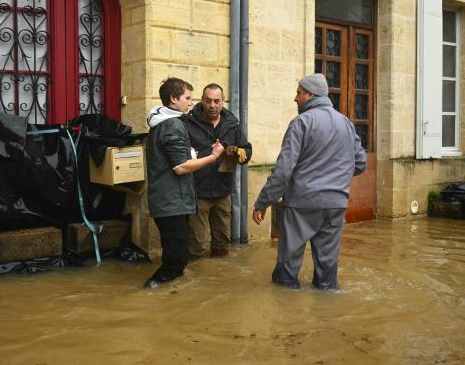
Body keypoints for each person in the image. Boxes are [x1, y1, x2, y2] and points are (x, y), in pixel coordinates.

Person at [252, 73, 366, 291]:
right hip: (336, 203)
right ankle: (326, 309)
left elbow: (284, 170)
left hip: (303, 202)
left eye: (298, 93)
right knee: (328, 271)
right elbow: (360, 163)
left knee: (287, 267)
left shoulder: (301, 122)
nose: (295, 98)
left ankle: (286, 312)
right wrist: (335, 177)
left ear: (310, 94)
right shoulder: (346, 123)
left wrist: (262, 203)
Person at [145, 77, 224, 288]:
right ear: (173, 98)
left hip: (168, 201)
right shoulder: (172, 125)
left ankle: (171, 297)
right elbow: (180, 167)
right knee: (176, 260)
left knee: (175, 257)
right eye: (187, 98)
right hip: (172, 203)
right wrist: (214, 156)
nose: (191, 103)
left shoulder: (162, 123)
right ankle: (150, 291)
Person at [185, 84, 252, 258]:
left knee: (222, 244)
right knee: (197, 245)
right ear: (202, 101)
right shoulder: (188, 123)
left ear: (223, 101)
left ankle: (219, 278)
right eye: (208, 101)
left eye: (216, 101)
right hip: (198, 192)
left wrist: (241, 153)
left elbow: (246, 149)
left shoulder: (232, 125)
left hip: (223, 192)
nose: (212, 105)